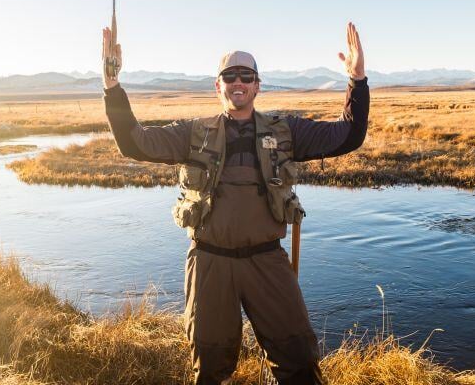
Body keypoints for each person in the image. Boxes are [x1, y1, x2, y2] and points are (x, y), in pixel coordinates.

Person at [101, 22, 369, 385]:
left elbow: (347, 136)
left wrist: (357, 80)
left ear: (258, 85)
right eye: (230, 76)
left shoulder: (285, 131)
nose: (238, 82)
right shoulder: (192, 133)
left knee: (299, 360)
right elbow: (135, 142)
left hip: (268, 262)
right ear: (218, 85)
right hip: (210, 262)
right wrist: (112, 86)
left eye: (246, 75)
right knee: (210, 368)